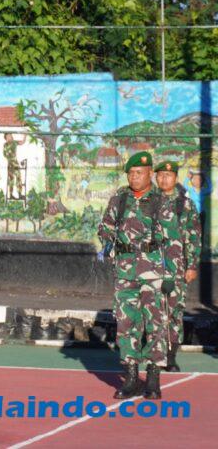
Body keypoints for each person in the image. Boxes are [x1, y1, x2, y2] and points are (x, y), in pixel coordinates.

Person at [98, 151, 170, 400]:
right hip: (125, 271)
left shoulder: (160, 201)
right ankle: (131, 378)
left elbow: (173, 240)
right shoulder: (119, 199)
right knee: (126, 323)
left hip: (153, 272)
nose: (134, 177)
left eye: (139, 173)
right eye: (130, 173)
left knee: (155, 324)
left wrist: (172, 274)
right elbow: (105, 226)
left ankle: (152, 378)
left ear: (150, 173)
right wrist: (107, 241)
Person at [154, 161, 201, 372]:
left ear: (175, 178)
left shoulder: (185, 205)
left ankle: (171, 356)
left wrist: (192, 266)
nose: (164, 179)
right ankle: (154, 355)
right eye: (160, 175)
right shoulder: (147, 202)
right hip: (149, 268)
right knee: (152, 312)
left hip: (177, 268)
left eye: (168, 175)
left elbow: (193, 237)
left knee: (174, 311)